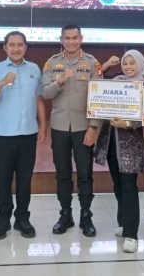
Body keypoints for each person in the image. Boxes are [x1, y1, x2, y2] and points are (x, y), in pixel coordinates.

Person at [0, 31, 47, 240]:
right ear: (5, 47)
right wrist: (2, 82)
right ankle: (3, 220)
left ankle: (22, 219)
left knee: (25, 180)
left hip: (28, 133)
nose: (16, 48)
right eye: (12, 44)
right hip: (4, 134)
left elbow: (38, 98)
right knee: (4, 180)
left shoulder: (34, 69)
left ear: (25, 47)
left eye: (20, 44)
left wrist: (43, 125)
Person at [41, 25, 102, 237]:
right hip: (59, 127)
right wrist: (59, 81)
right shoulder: (52, 63)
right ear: (61, 40)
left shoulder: (92, 63)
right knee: (63, 174)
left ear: (81, 38)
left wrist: (94, 127)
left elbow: (98, 98)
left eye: (75, 37)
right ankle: (65, 215)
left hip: (83, 127)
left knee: (85, 174)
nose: (71, 41)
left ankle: (86, 216)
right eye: (67, 38)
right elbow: (45, 93)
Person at [94, 50, 144, 253]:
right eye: (125, 63)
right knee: (118, 184)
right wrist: (106, 65)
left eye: (132, 63)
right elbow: (95, 84)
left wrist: (127, 123)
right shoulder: (116, 82)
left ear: (140, 64)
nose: (128, 67)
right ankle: (124, 223)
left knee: (128, 186)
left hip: (130, 146)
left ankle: (132, 234)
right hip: (110, 143)